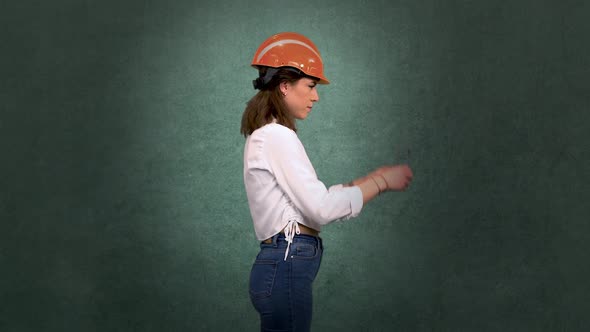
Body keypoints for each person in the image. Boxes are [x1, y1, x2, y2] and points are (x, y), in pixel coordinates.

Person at [241, 32, 413, 332]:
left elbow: (303, 206)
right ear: (284, 86)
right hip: (285, 265)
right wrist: (382, 182)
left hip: (278, 265)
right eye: (310, 86)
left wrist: (363, 182)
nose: (316, 96)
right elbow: (320, 209)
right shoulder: (277, 136)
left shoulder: (267, 136)